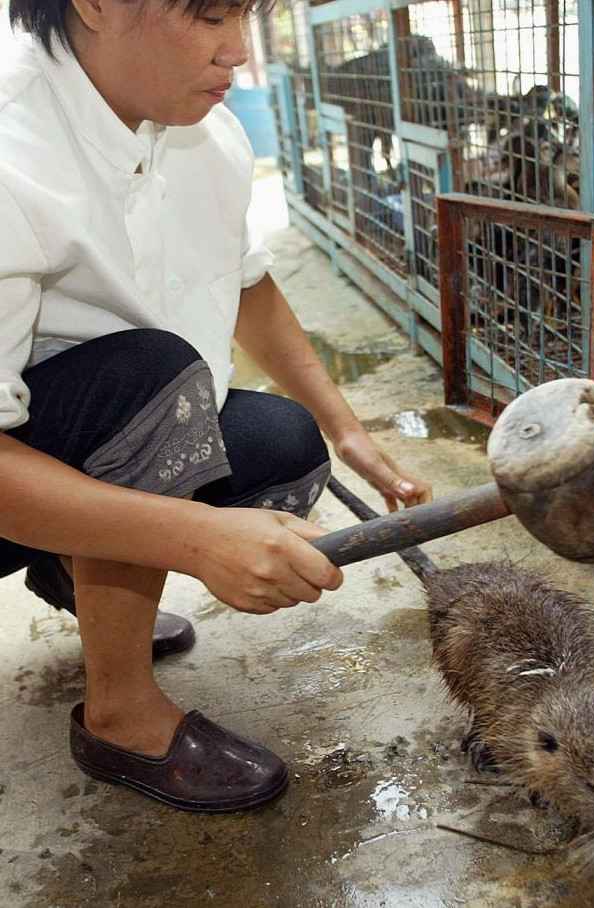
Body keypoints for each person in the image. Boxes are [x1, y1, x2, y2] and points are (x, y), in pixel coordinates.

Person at [0, 0, 432, 812]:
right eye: (207, 16)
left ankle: (77, 567)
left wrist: (349, 433)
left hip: (64, 436)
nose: (237, 50)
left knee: (281, 443)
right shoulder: (9, 147)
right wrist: (197, 539)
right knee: (154, 379)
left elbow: (248, 286)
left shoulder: (203, 130)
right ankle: (119, 715)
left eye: (243, 15)